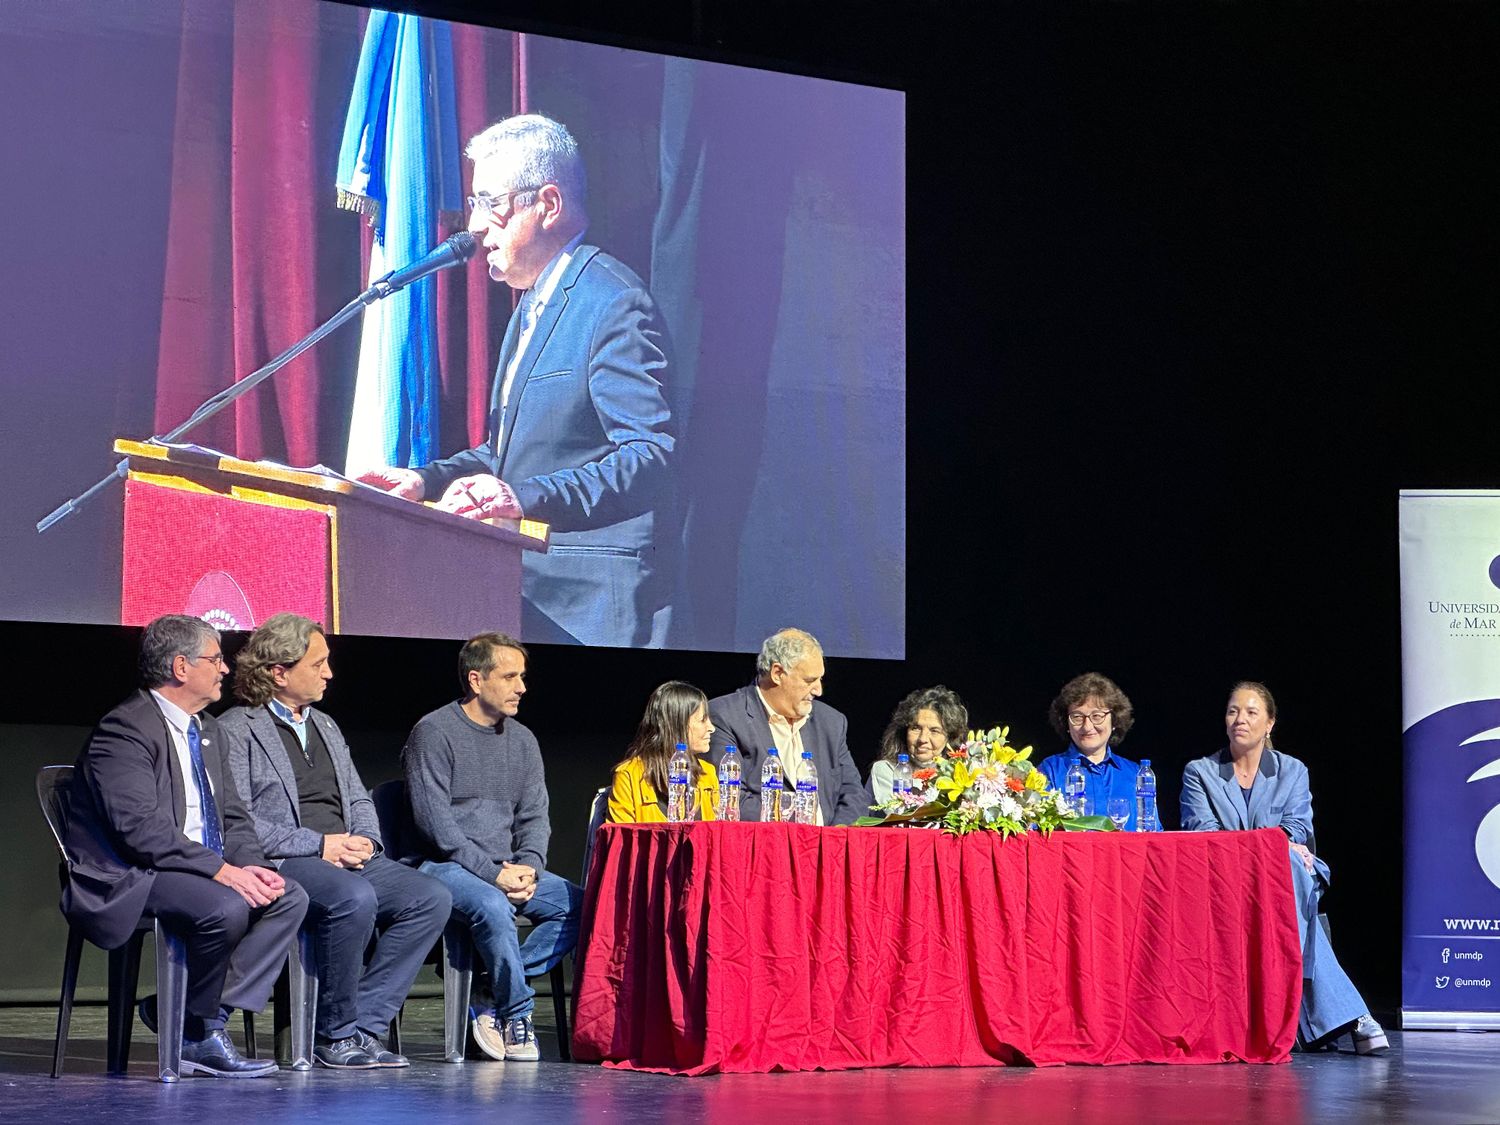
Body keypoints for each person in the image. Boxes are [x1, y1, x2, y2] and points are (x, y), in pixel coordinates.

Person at [357, 114, 676, 649]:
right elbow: (506, 456)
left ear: (547, 205)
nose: (475, 224)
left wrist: (523, 498)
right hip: (519, 596)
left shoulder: (613, 302)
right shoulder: (533, 303)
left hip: (589, 608)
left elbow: (649, 455)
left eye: (490, 202)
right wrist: (425, 481)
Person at [60, 615, 307, 1078]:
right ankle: (196, 1027)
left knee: (286, 895)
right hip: (132, 873)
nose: (225, 670)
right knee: (225, 907)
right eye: (215, 659)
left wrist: (253, 866)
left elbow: (232, 817)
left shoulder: (207, 730)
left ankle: (196, 1020)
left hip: (193, 865)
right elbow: (140, 831)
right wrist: (222, 872)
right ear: (180, 667)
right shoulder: (125, 730)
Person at [219, 614, 451, 1069]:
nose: (329, 673)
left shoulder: (325, 725)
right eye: (318, 664)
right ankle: (334, 1033)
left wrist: (365, 840)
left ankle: (364, 1027)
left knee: (430, 898)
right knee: (353, 897)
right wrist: (320, 844)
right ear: (278, 672)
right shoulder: (237, 728)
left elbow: (358, 796)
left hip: (343, 852)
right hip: (286, 857)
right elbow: (240, 820)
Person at [400, 632, 582, 1061]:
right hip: (440, 865)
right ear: (476, 680)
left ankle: (489, 987)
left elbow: (535, 816)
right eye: (510, 676)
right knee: (494, 906)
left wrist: (530, 867)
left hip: (506, 866)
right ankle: (516, 1012)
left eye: (523, 676)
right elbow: (436, 828)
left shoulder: (522, 740)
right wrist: (494, 874)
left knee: (580, 906)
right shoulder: (434, 732)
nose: (522, 687)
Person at [1180, 681, 1389, 1056]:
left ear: (1270, 723)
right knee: (1287, 863)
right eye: (1232, 711)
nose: (1239, 719)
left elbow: (1298, 829)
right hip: (1223, 879)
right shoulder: (1201, 772)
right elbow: (1203, 835)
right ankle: (1351, 1016)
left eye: (1250, 712)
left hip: (1285, 874)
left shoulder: (1292, 771)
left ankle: (1301, 1014)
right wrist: (1265, 848)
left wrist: (1270, 850)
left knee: (1291, 863)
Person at [708, 628, 866, 825]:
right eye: (809, 681)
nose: (818, 690)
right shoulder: (725, 716)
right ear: (777, 673)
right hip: (762, 848)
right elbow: (730, 798)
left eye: (820, 679)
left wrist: (833, 839)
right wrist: (798, 833)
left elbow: (853, 794)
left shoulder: (831, 722)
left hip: (828, 849)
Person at [1035, 672, 1143, 829]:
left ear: (1115, 721)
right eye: (1077, 717)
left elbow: (1153, 833)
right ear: (1066, 724)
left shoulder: (1135, 773)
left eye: (1097, 716)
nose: (1087, 726)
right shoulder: (1051, 770)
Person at [608, 681, 720, 822]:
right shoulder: (628, 776)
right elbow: (620, 840)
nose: (711, 728)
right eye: (702, 720)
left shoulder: (707, 774)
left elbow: (717, 836)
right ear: (676, 725)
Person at [866, 686, 968, 804]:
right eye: (916, 728)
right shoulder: (887, 769)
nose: (922, 739)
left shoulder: (960, 774)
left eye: (934, 731)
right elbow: (896, 812)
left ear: (950, 737)